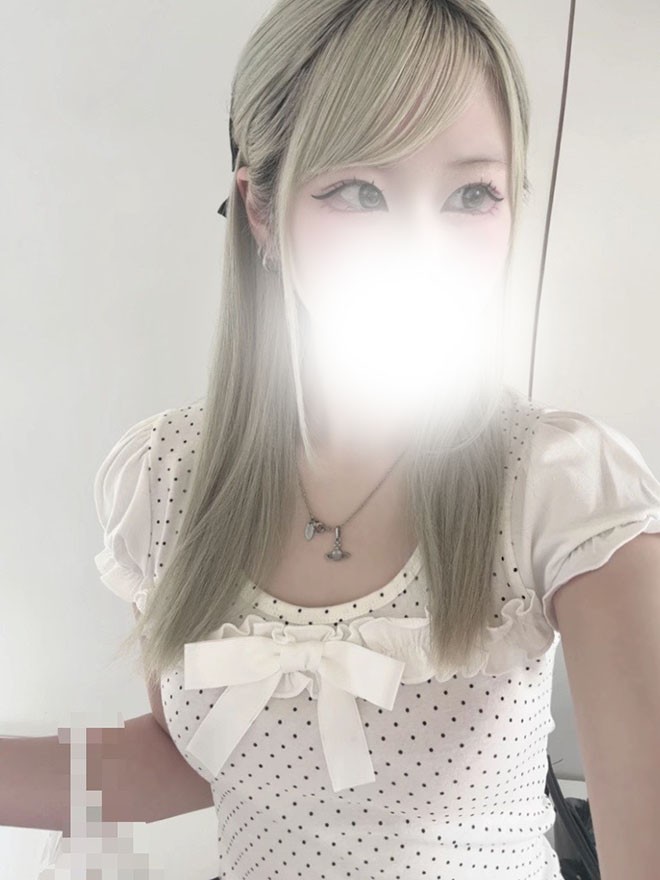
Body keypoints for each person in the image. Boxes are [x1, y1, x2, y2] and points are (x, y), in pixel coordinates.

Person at [8, 1, 660, 878]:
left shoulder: (563, 490)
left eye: (472, 194)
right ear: (261, 211)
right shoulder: (164, 478)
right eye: (360, 191)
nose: (424, 251)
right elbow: (182, 758)